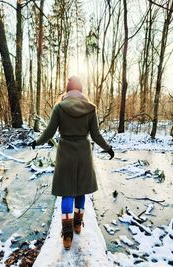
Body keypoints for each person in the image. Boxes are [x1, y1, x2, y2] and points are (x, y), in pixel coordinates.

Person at [31, 76, 114, 250]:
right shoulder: (91, 108)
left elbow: (49, 132)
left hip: (66, 153)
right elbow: (96, 135)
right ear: (81, 90)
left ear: (68, 90)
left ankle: (67, 236)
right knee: (81, 190)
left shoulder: (60, 107)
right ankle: (77, 225)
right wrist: (108, 148)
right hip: (84, 153)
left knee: (67, 193)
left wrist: (37, 142)